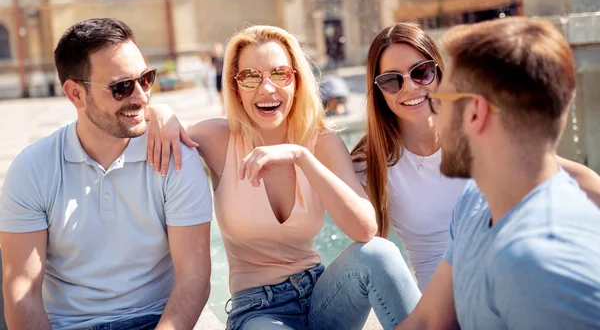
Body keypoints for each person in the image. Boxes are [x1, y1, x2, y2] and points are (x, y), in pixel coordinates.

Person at [146, 25, 421, 330]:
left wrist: (301, 157)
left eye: (280, 74)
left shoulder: (321, 143)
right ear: (235, 87)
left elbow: (366, 229)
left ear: (296, 81)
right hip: (257, 311)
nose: (266, 89)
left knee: (379, 254)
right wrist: (161, 110)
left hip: (322, 297)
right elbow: (147, 126)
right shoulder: (218, 138)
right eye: (250, 77)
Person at [351, 22, 600, 291]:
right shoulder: (370, 160)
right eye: (392, 80)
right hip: (439, 308)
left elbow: (569, 176)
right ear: (378, 90)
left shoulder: (476, 129)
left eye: (420, 72)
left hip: (503, 286)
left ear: (439, 72)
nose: (409, 87)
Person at [0, 18, 213, 330]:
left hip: (155, 321)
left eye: (146, 79)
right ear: (75, 94)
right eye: (121, 87)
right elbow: (22, 292)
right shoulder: (33, 169)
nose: (141, 96)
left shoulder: (177, 157)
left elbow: (194, 277)